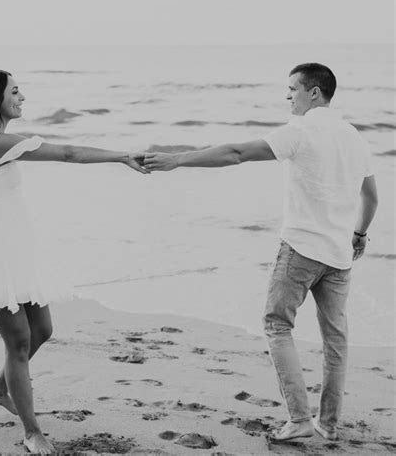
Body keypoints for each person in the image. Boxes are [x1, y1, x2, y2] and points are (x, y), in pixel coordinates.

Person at [144, 63, 378, 442]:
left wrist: (178, 159)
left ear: (314, 92)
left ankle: (300, 418)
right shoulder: (354, 136)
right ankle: (329, 424)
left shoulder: (300, 131)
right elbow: (371, 196)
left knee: (276, 325)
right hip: (338, 255)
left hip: (301, 248)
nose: (288, 96)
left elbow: (236, 153)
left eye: (292, 89)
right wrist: (360, 234)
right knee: (336, 339)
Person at [0, 69, 148, 455]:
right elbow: (68, 153)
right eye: (15, 91)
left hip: (17, 250)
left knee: (42, 330)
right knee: (19, 342)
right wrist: (121, 155)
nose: (22, 96)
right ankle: (32, 432)